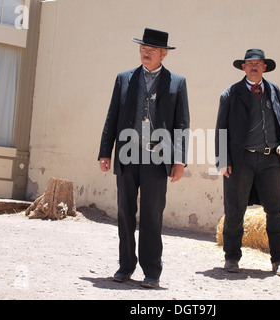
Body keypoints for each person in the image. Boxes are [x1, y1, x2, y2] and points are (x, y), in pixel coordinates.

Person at [98, 28, 190, 288]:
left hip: (157, 158)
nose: (145, 52)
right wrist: (106, 152)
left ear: (163, 54)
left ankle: (152, 271)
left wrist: (180, 160)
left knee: (152, 215)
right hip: (127, 156)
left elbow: (182, 124)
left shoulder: (177, 82)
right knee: (125, 213)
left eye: (151, 50)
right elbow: (111, 117)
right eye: (142, 48)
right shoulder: (124, 79)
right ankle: (125, 266)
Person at [215, 48, 280, 277]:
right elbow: (221, 129)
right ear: (243, 67)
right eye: (249, 63)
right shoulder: (230, 94)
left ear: (265, 67)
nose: (254, 67)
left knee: (276, 211)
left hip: (270, 160)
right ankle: (231, 258)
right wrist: (223, 160)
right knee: (234, 210)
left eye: (258, 63)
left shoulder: (274, 90)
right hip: (241, 161)